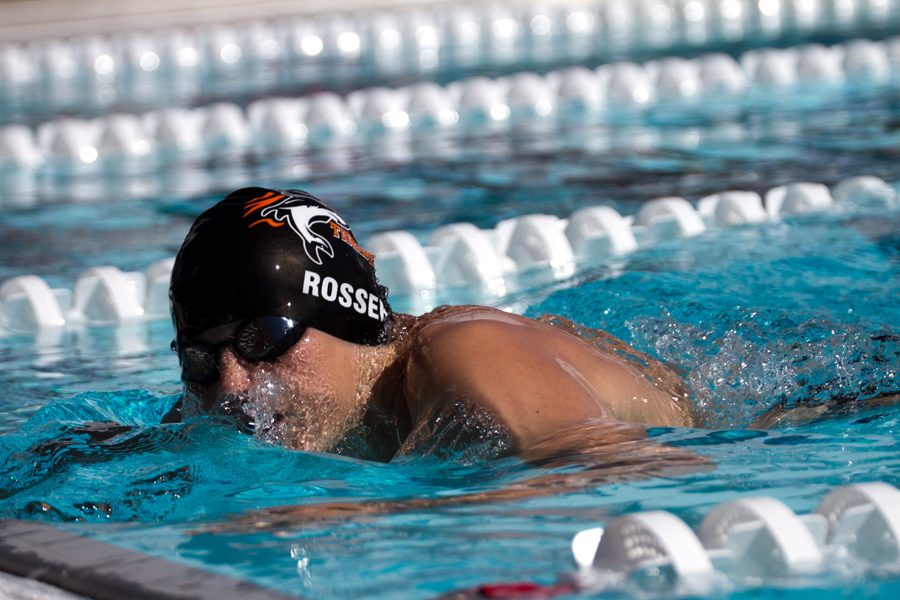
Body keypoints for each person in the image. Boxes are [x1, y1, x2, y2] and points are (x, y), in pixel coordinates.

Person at [168, 187, 699, 469]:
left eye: (263, 339)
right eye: (202, 359)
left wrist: (351, 515)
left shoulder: (468, 355)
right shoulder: (220, 404)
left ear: (344, 312)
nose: (233, 388)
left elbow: (618, 475)